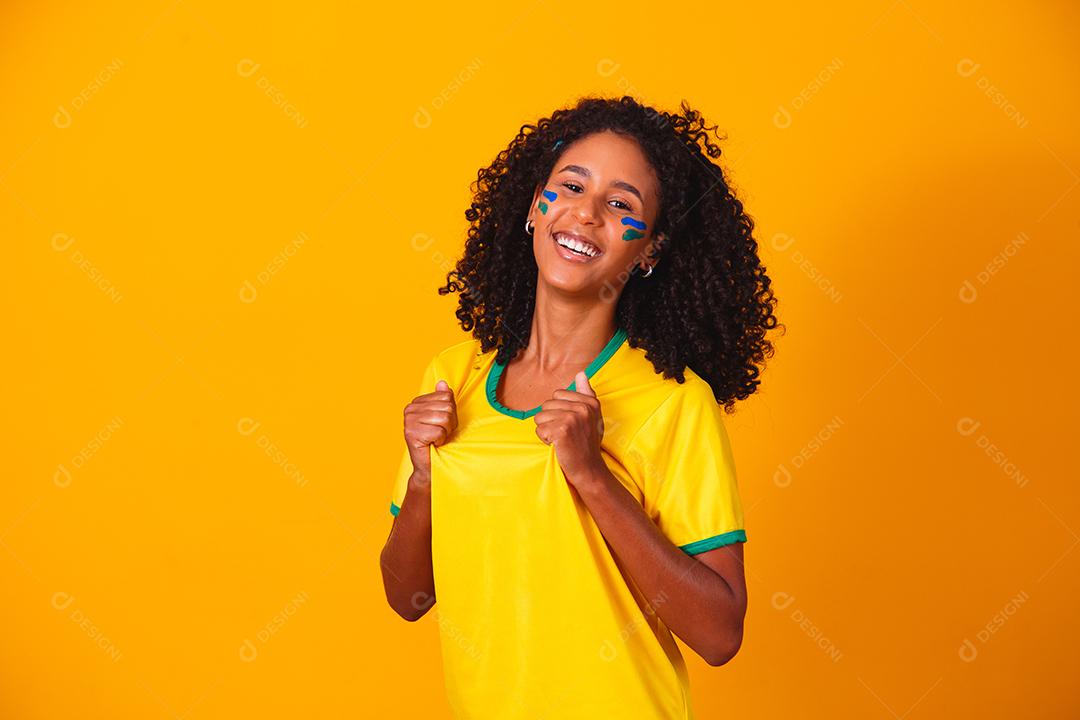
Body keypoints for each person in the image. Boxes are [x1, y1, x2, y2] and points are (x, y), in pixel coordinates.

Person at [379, 95, 781, 719]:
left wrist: (592, 475)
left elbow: (720, 633)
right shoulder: (452, 376)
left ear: (648, 250)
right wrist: (427, 480)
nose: (586, 213)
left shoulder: (671, 402)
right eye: (571, 185)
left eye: (621, 204)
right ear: (533, 209)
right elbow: (409, 598)